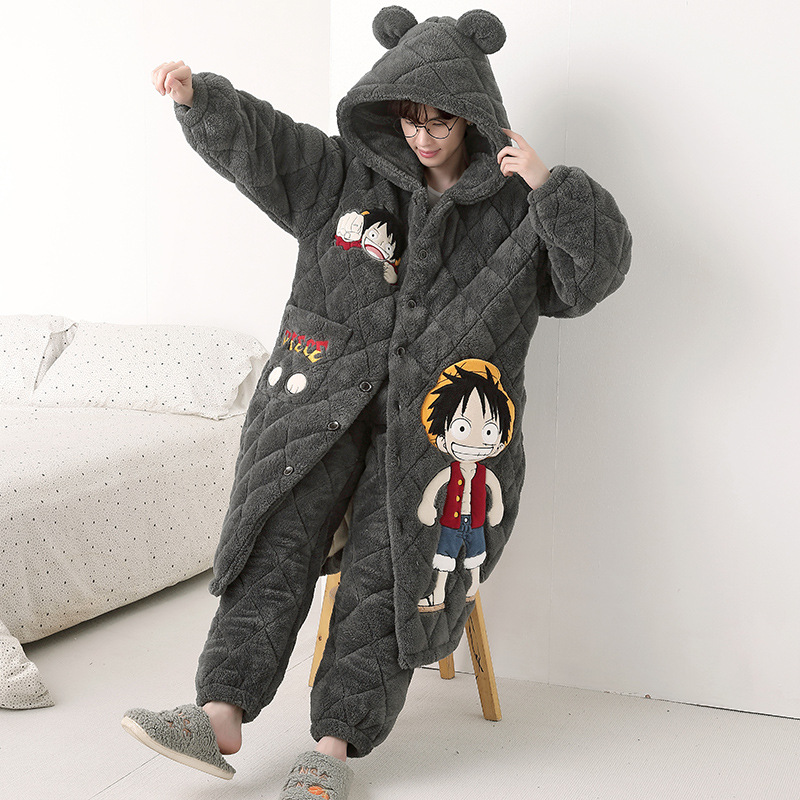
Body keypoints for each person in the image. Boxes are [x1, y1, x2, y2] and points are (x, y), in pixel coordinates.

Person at [121, 7, 632, 800]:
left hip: (438, 437)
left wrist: (548, 184)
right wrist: (202, 100)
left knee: (390, 571)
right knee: (277, 537)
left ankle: (333, 748)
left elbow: (593, 273)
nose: (423, 136)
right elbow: (269, 146)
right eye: (410, 117)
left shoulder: (514, 215)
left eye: (441, 120)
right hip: (319, 410)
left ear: (473, 116)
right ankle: (218, 713)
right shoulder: (342, 179)